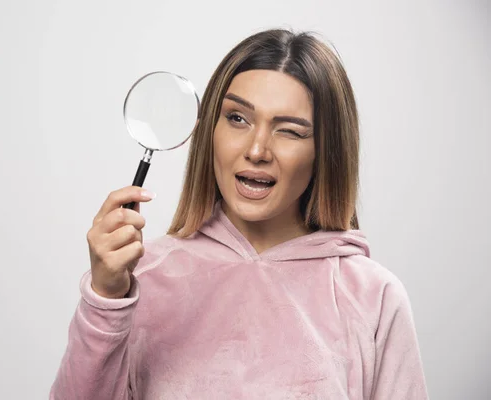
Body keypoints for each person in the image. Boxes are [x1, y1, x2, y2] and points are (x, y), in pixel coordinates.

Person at [49, 28, 429, 399]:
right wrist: (106, 299)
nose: (257, 149)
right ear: (209, 130)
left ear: (325, 152)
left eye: (290, 131)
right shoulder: (142, 277)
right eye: (237, 119)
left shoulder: (374, 297)